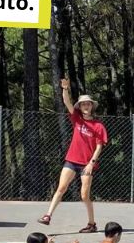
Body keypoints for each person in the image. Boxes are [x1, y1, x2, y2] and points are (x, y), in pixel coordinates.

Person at [38, 78, 108, 233]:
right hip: (72, 160)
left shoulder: (98, 126)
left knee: (84, 195)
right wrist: (65, 88)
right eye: (83, 104)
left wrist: (91, 163)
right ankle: (47, 216)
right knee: (61, 187)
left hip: (87, 163)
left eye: (88, 104)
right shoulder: (76, 118)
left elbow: (99, 147)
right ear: (80, 106)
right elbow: (67, 103)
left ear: (91, 106)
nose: (86, 106)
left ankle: (92, 224)